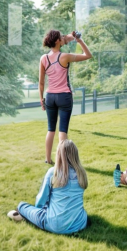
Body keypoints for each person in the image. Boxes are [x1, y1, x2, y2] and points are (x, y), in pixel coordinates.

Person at [8, 139, 89, 234]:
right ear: (75, 154)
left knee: (22, 206)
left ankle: (27, 217)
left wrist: (38, 210)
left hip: (56, 225)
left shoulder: (53, 172)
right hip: (80, 223)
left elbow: (41, 199)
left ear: (59, 154)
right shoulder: (81, 173)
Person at [39, 29, 92, 164]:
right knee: (63, 130)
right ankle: (62, 162)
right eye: (60, 37)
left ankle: (48, 159)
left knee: (51, 129)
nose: (63, 38)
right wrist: (79, 40)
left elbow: (41, 82)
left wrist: (41, 99)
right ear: (57, 41)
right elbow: (88, 55)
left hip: (50, 97)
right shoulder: (65, 56)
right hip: (64, 97)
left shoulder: (43, 58)